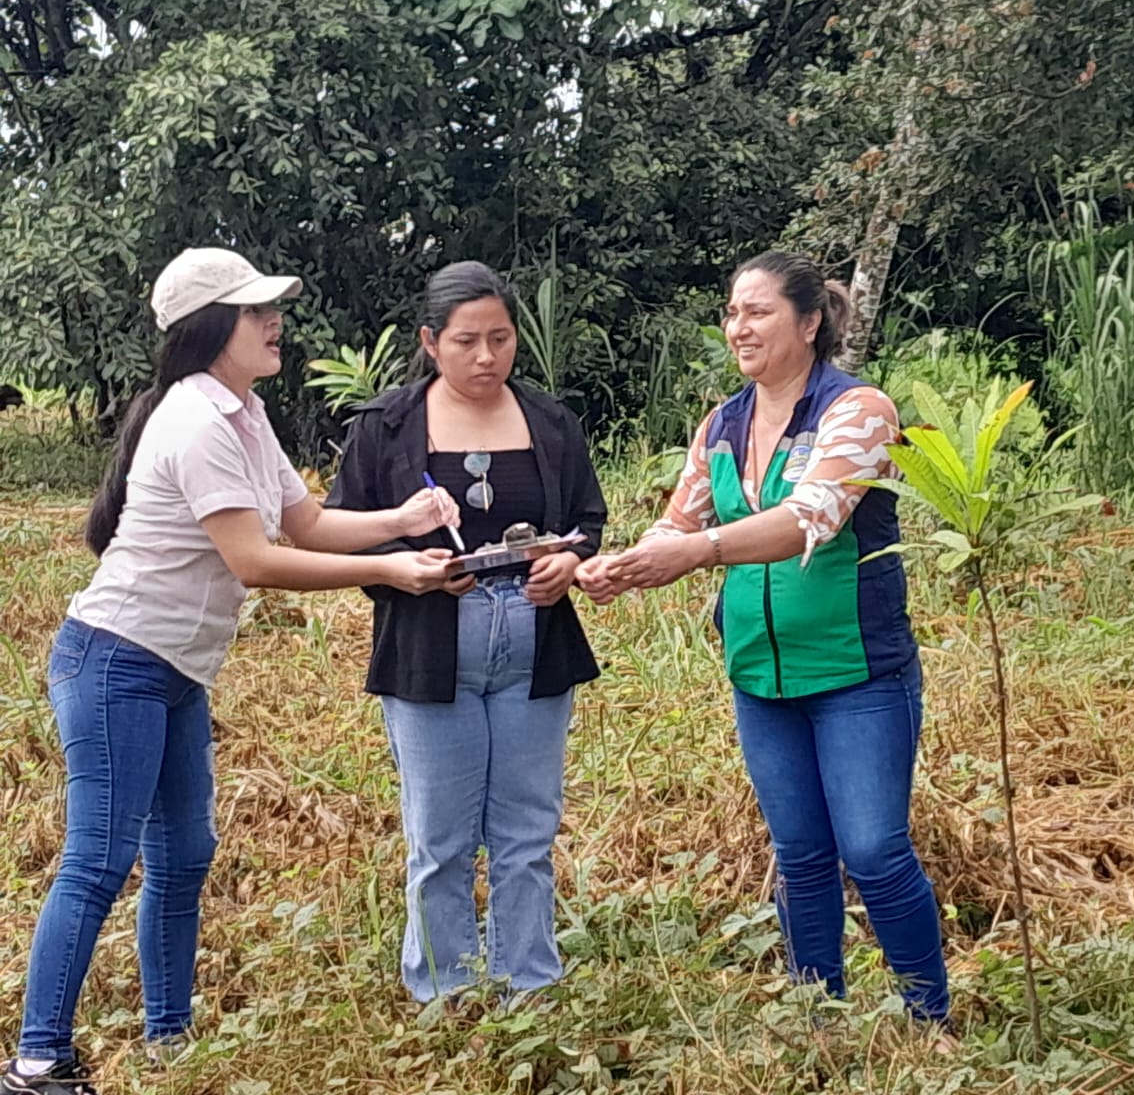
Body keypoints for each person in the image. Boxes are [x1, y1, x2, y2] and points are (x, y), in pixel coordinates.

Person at [4, 248, 460, 1095]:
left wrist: (403, 517)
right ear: (211, 327)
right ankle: (37, 1061)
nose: (274, 321)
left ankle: (168, 1040)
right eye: (256, 311)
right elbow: (255, 560)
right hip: (116, 661)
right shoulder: (196, 422)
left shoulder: (243, 412)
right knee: (99, 860)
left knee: (185, 855)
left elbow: (307, 523)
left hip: (175, 669)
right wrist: (393, 570)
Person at [578, 250, 950, 1022]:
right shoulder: (723, 425)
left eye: (757, 312)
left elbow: (810, 518)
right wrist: (628, 564)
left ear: (809, 324)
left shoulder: (859, 410)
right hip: (760, 676)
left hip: (857, 672)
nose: (738, 328)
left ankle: (928, 1015)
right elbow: (680, 521)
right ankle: (817, 1015)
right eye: (732, 313)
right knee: (801, 854)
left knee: (874, 851)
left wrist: (698, 552)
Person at [325, 261, 606, 1005]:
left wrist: (567, 562)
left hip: (534, 640)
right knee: (440, 838)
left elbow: (587, 519)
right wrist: (406, 570)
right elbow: (343, 529)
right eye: (466, 342)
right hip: (430, 642)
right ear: (430, 342)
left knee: (527, 832)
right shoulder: (386, 425)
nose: (486, 357)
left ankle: (528, 984)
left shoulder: (549, 421)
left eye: (501, 339)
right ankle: (442, 990)